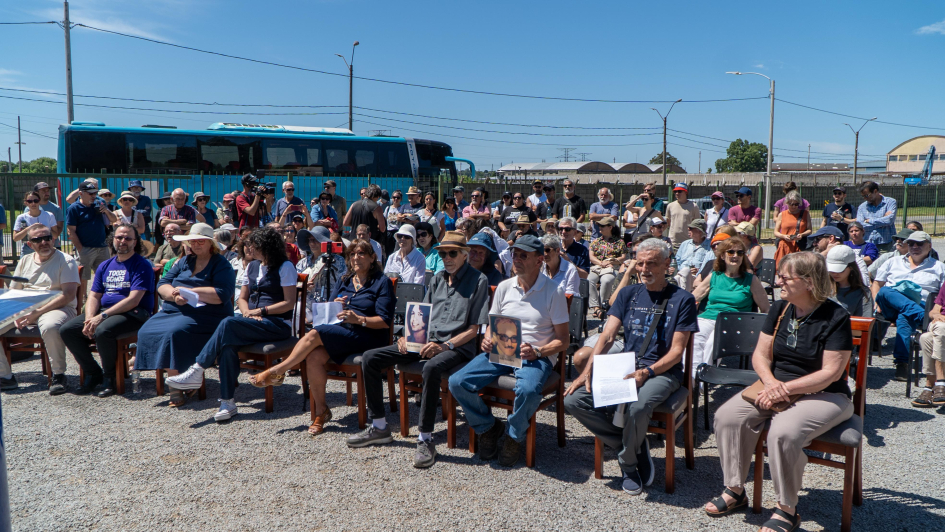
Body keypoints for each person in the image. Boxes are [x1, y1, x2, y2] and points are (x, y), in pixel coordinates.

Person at [706, 252, 854, 532]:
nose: (778, 282)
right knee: (727, 416)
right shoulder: (780, 308)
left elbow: (830, 373)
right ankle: (735, 490)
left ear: (809, 282)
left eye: (785, 277)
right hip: (775, 384)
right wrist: (772, 384)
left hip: (823, 393)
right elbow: (760, 356)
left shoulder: (836, 316)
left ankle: (787, 508)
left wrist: (784, 389)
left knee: (783, 432)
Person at [565, 237, 698, 495]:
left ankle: (627, 464)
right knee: (573, 400)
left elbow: (677, 351)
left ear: (667, 264)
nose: (645, 269)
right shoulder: (628, 294)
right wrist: (587, 371)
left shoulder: (682, 300)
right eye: (640, 263)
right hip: (625, 366)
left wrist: (646, 372)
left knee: (639, 406)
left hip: (662, 372)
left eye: (652, 263)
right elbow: (607, 336)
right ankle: (633, 445)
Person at [350, 232, 489, 466]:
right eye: (443, 253)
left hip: (457, 347)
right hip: (426, 341)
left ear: (465, 254)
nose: (447, 258)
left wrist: (445, 345)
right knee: (370, 358)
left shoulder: (478, 280)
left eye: (452, 253)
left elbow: (474, 329)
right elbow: (420, 313)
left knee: (431, 368)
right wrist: (405, 336)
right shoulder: (437, 278)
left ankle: (425, 438)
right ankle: (380, 426)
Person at [243, 239, 394, 434]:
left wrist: (360, 319)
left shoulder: (381, 282)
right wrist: (337, 304)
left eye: (362, 253)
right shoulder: (345, 279)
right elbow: (328, 309)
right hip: (343, 333)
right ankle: (321, 412)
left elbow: (384, 321)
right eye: (353, 254)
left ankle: (277, 370)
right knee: (313, 357)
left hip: (369, 335)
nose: (356, 257)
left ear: (373, 258)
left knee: (316, 333)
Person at [448, 235, 569, 466]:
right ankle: (489, 427)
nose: (517, 259)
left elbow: (563, 341)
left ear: (539, 260)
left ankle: (514, 436)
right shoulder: (504, 287)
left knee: (529, 389)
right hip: (502, 349)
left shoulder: (554, 291)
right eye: (515, 254)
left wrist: (538, 350)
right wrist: (486, 340)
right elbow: (491, 328)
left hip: (535, 356)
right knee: (457, 382)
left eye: (524, 255)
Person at [164, 227, 298, 422]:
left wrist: (260, 311)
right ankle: (227, 402)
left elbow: (289, 302)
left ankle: (198, 368)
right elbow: (241, 298)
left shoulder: (285, 267)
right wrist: (247, 313)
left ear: (266, 246)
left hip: (277, 323)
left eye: (253, 244)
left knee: (227, 323)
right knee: (227, 346)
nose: (248, 247)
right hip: (252, 320)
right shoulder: (252, 266)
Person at [134, 223, 236, 406]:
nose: (195, 245)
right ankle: (181, 378)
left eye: (200, 241)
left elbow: (223, 294)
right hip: (175, 310)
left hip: (208, 315)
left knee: (173, 333)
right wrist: (174, 294)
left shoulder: (221, 264)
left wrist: (189, 292)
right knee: (146, 331)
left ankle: (177, 387)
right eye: (192, 241)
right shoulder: (183, 261)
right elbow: (163, 284)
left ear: (210, 244)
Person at [60, 224, 154, 398]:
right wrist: (89, 318)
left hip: (134, 313)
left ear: (135, 242)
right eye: (119, 237)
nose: (123, 241)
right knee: (68, 330)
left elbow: (134, 300)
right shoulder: (105, 265)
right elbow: (94, 296)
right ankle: (92, 373)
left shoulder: (142, 265)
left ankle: (109, 378)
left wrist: (101, 317)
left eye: (127, 238)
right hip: (104, 312)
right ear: (113, 240)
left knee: (104, 330)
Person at [0, 225, 79, 394]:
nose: (44, 242)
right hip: (26, 308)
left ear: (54, 239)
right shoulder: (24, 261)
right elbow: (14, 293)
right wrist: (15, 313)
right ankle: (5, 377)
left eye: (47, 238)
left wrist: (36, 312)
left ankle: (59, 375)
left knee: (50, 326)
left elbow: (68, 295)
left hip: (58, 307)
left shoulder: (66, 260)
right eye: (37, 240)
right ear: (29, 244)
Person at [872, 230, 945, 381]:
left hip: (923, 305)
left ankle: (902, 363)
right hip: (891, 307)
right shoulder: (893, 261)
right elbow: (877, 284)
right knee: (886, 291)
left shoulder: (938, 267)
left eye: (919, 243)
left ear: (929, 246)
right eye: (911, 243)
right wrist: (875, 303)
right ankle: (922, 316)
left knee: (904, 317)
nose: (914, 246)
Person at [692, 237, 770, 369]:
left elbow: (766, 309)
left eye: (740, 253)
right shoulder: (714, 276)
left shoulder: (751, 280)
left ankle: (701, 379)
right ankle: (691, 379)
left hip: (734, 321)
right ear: (722, 256)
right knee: (694, 339)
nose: (735, 256)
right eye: (731, 252)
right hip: (708, 318)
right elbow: (693, 298)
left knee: (712, 344)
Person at [66, 181, 117, 296]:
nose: (94, 196)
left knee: (105, 276)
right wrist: (81, 249)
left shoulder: (99, 204)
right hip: (85, 248)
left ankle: (102, 300)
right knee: (83, 278)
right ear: (80, 193)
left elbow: (113, 219)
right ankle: (83, 301)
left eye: (95, 193)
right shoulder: (74, 208)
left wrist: (106, 210)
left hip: (102, 247)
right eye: (90, 194)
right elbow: (71, 231)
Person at [911, 286, 945, 408]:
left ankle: (931, 386)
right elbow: (933, 311)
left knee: (927, 337)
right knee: (935, 332)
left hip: (941, 328)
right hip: (940, 324)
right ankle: (939, 384)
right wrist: (937, 316)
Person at [588, 217, 628, 318]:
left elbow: (623, 257)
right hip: (597, 267)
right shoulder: (596, 241)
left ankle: (602, 306)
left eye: (602, 226)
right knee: (589, 280)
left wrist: (613, 261)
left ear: (610, 227)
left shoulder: (619, 242)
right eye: (599, 225)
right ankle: (595, 307)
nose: (599, 228)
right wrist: (601, 263)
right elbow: (591, 256)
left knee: (606, 280)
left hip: (611, 267)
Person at [826, 245, 873, 318]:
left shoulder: (863, 294)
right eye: (832, 269)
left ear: (851, 268)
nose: (835, 273)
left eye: (839, 270)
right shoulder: (822, 289)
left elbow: (863, 324)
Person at [773, 191, 811, 269]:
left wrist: (802, 235)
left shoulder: (805, 214)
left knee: (798, 270)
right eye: (791, 204)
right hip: (784, 246)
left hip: (798, 246)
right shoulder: (782, 214)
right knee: (783, 270)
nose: (793, 206)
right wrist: (783, 236)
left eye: (796, 204)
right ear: (787, 203)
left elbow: (809, 230)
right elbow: (776, 232)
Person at [13, 191, 58, 255]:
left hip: (45, 246)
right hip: (28, 247)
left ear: (39, 201)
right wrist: (29, 228)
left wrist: (44, 229)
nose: (33, 203)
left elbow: (55, 236)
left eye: (36, 201)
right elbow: (15, 238)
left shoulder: (49, 215)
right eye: (30, 201)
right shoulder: (21, 217)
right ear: (26, 203)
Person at [856, 181, 897, 252]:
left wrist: (869, 221)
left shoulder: (890, 202)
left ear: (875, 191)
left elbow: (889, 220)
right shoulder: (862, 207)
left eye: (866, 195)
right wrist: (882, 220)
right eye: (863, 196)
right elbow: (860, 225)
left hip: (886, 243)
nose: (865, 198)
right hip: (868, 243)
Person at [673, 219, 710, 291]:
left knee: (682, 275)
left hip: (698, 278)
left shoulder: (710, 246)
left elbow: (709, 264)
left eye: (691, 228)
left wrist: (699, 271)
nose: (688, 229)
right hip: (682, 275)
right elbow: (677, 261)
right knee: (683, 273)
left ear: (699, 231)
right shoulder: (684, 244)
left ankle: (683, 295)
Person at [665, 182, 701, 249]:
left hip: (688, 242)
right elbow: (668, 222)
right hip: (673, 242)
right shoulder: (670, 206)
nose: (677, 193)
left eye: (679, 191)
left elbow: (697, 224)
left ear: (686, 192)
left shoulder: (693, 206)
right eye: (675, 191)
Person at [384, 190, 404, 255]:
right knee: (388, 252)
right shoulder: (388, 208)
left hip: (398, 232)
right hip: (389, 232)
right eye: (394, 197)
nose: (396, 199)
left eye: (398, 197)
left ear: (401, 199)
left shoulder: (402, 208)